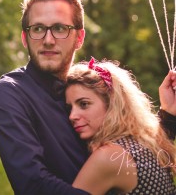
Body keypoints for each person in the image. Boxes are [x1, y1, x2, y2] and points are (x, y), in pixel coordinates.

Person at [0, 0, 176, 195]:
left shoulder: (82, 88)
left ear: (79, 38)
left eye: (60, 28)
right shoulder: (9, 94)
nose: (48, 40)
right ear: (25, 38)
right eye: (38, 29)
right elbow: (33, 184)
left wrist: (168, 114)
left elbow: (129, 147)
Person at [66, 57, 176, 194]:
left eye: (84, 104)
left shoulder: (108, 157)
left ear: (112, 103)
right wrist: (169, 110)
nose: (72, 116)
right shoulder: (144, 143)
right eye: (68, 108)